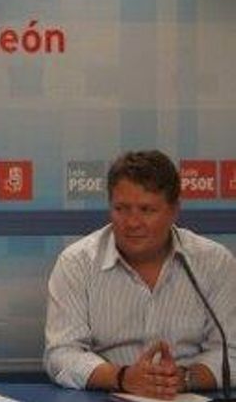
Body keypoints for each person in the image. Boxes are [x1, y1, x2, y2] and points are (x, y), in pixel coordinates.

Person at [44, 150, 236, 399]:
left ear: (174, 210)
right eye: (121, 209)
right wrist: (123, 378)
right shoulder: (77, 263)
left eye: (146, 210)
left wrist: (181, 378)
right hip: (108, 394)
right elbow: (61, 354)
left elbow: (231, 352)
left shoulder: (215, 262)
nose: (132, 223)